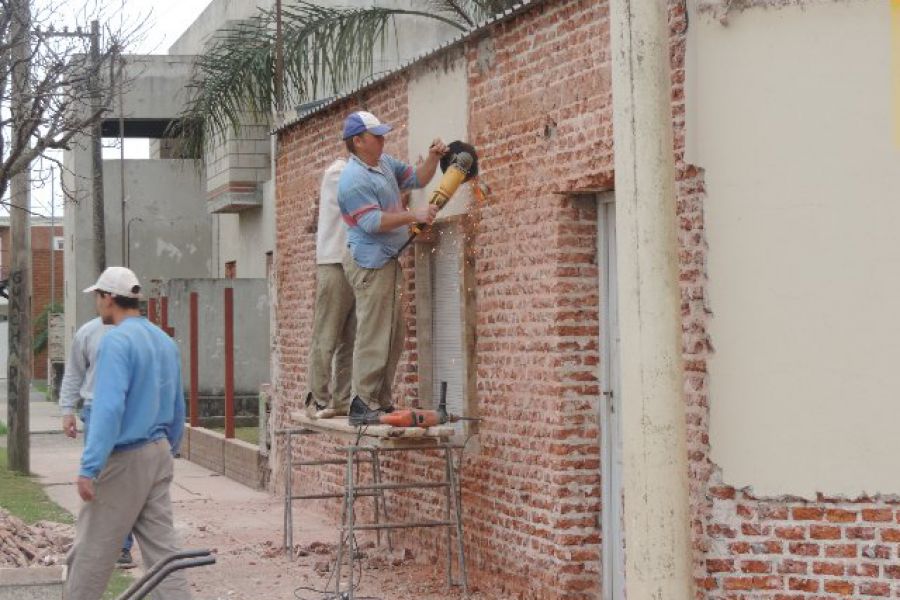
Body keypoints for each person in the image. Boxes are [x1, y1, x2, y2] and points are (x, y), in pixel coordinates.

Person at [64, 267, 190, 600]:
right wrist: (171, 448)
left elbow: (108, 409)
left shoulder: (116, 341)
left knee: (91, 550)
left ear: (108, 299)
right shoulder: (163, 340)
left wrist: (90, 467)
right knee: (163, 552)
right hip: (159, 451)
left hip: (124, 457)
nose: (97, 305)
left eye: (97, 298)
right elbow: (178, 404)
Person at [337, 110, 447, 425]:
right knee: (374, 331)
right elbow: (372, 223)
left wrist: (433, 158)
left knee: (393, 332)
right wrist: (415, 215)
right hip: (369, 262)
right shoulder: (353, 179)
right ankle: (362, 403)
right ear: (358, 141)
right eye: (377, 136)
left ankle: (380, 401)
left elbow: (417, 178)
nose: (383, 139)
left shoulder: (383, 163)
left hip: (386, 257)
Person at [59, 316, 137, 569]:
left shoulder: (139, 333)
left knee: (127, 479)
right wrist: (67, 409)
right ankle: (102, 544)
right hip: (96, 409)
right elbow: (74, 372)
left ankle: (122, 546)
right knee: (98, 477)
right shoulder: (88, 331)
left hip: (131, 410)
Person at [304, 158, 356, 419]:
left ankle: (342, 399)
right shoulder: (339, 172)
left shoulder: (366, 172)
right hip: (334, 262)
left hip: (359, 264)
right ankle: (317, 399)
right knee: (327, 335)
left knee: (352, 339)